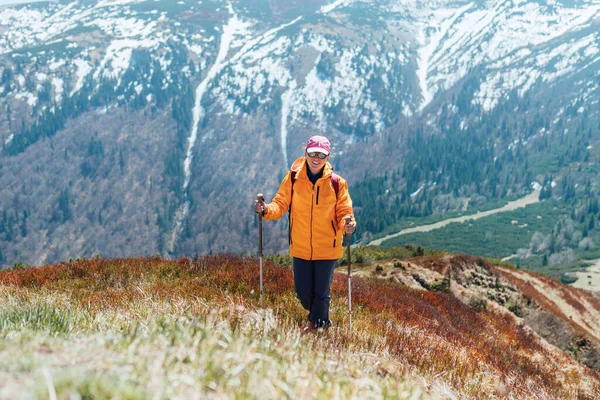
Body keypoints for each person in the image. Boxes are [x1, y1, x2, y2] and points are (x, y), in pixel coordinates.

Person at [254, 135, 356, 331]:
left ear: (328, 157)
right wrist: (266, 209)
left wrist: (348, 226)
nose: (316, 158)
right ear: (305, 153)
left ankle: (319, 327)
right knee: (303, 294)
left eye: (321, 155)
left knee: (321, 293)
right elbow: (280, 203)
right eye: (312, 153)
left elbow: (344, 212)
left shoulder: (337, 183)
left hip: (328, 247)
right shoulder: (293, 178)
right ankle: (319, 317)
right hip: (300, 246)